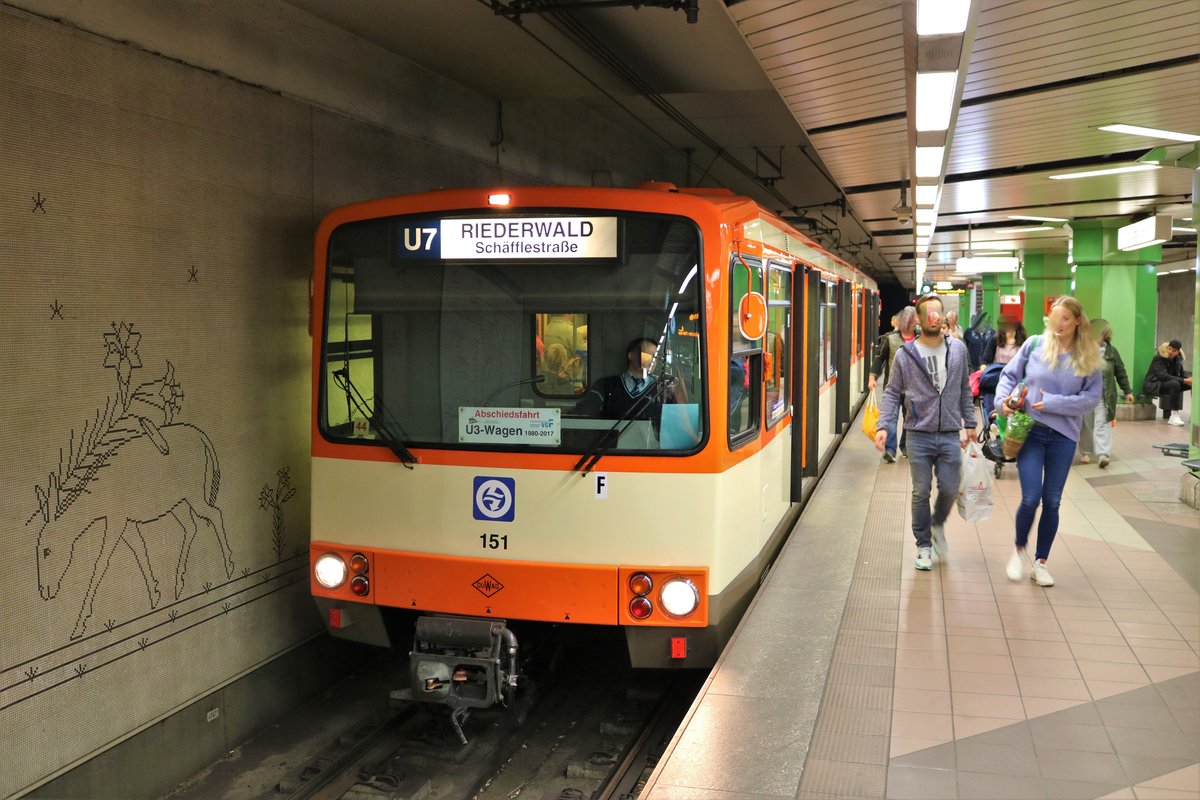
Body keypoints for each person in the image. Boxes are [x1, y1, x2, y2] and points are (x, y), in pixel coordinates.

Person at [996, 296, 1102, 587]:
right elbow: (1008, 375)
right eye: (1055, 318)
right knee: (1030, 498)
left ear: (1078, 320)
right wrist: (1002, 402)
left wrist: (1054, 402)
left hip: (1064, 437)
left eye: (1065, 318)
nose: (1059, 324)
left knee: (1052, 501)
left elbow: (1090, 399)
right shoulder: (1034, 344)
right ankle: (1019, 550)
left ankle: (1041, 563)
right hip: (1030, 431)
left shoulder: (1088, 356)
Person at [874, 294, 976, 571]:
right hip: (918, 434)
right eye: (928, 313)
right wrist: (884, 426)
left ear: (944, 316)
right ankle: (923, 546)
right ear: (918, 319)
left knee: (949, 488)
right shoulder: (906, 356)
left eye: (938, 312)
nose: (934, 317)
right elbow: (893, 392)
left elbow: (965, 389)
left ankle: (936, 524)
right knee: (921, 491)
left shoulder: (958, 350)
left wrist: (970, 421)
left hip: (949, 433)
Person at [574, 337, 685, 420]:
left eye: (655, 356)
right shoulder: (605, 386)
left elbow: (679, 420)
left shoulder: (663, 389)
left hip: (651, 449)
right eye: (647, 354)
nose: (652, 360)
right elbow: (585, 412)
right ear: (631, 355)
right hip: (611, 449)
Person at [1078, 319, 1134, 467]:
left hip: (1105, 395)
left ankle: (1103, 454)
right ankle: (1085, 451)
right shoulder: (1083, 351)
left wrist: (1127, 391)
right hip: (1086, 395)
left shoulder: (1111, 352)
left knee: (1102, 423)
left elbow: (1120, 372)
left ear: (1104, 336)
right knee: (1086, 424)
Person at [868, 306, 918, 463]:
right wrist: (872, 377)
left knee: (909, 419)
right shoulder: (889, 338)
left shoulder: (922, 339)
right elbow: (879, 359)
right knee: (891, 418)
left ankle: (905, 447)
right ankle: (890, 449)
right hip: (894, 387)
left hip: (913, 389)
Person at [1142, 339, 1192, 426]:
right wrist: (1184, 380)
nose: (1170, 352)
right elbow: (1163, 376)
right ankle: (1174, 416)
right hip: (1155, 384)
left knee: (1195, 384)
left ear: (1178, 352)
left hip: (1169, 383)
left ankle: (1195, 414)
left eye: (1174, 350)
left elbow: (1181, 374)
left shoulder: (1178, 360)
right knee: (1175, 384)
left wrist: (1189, 379)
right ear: (1167, 348)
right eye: (1170, 349)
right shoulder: (1159, 358)